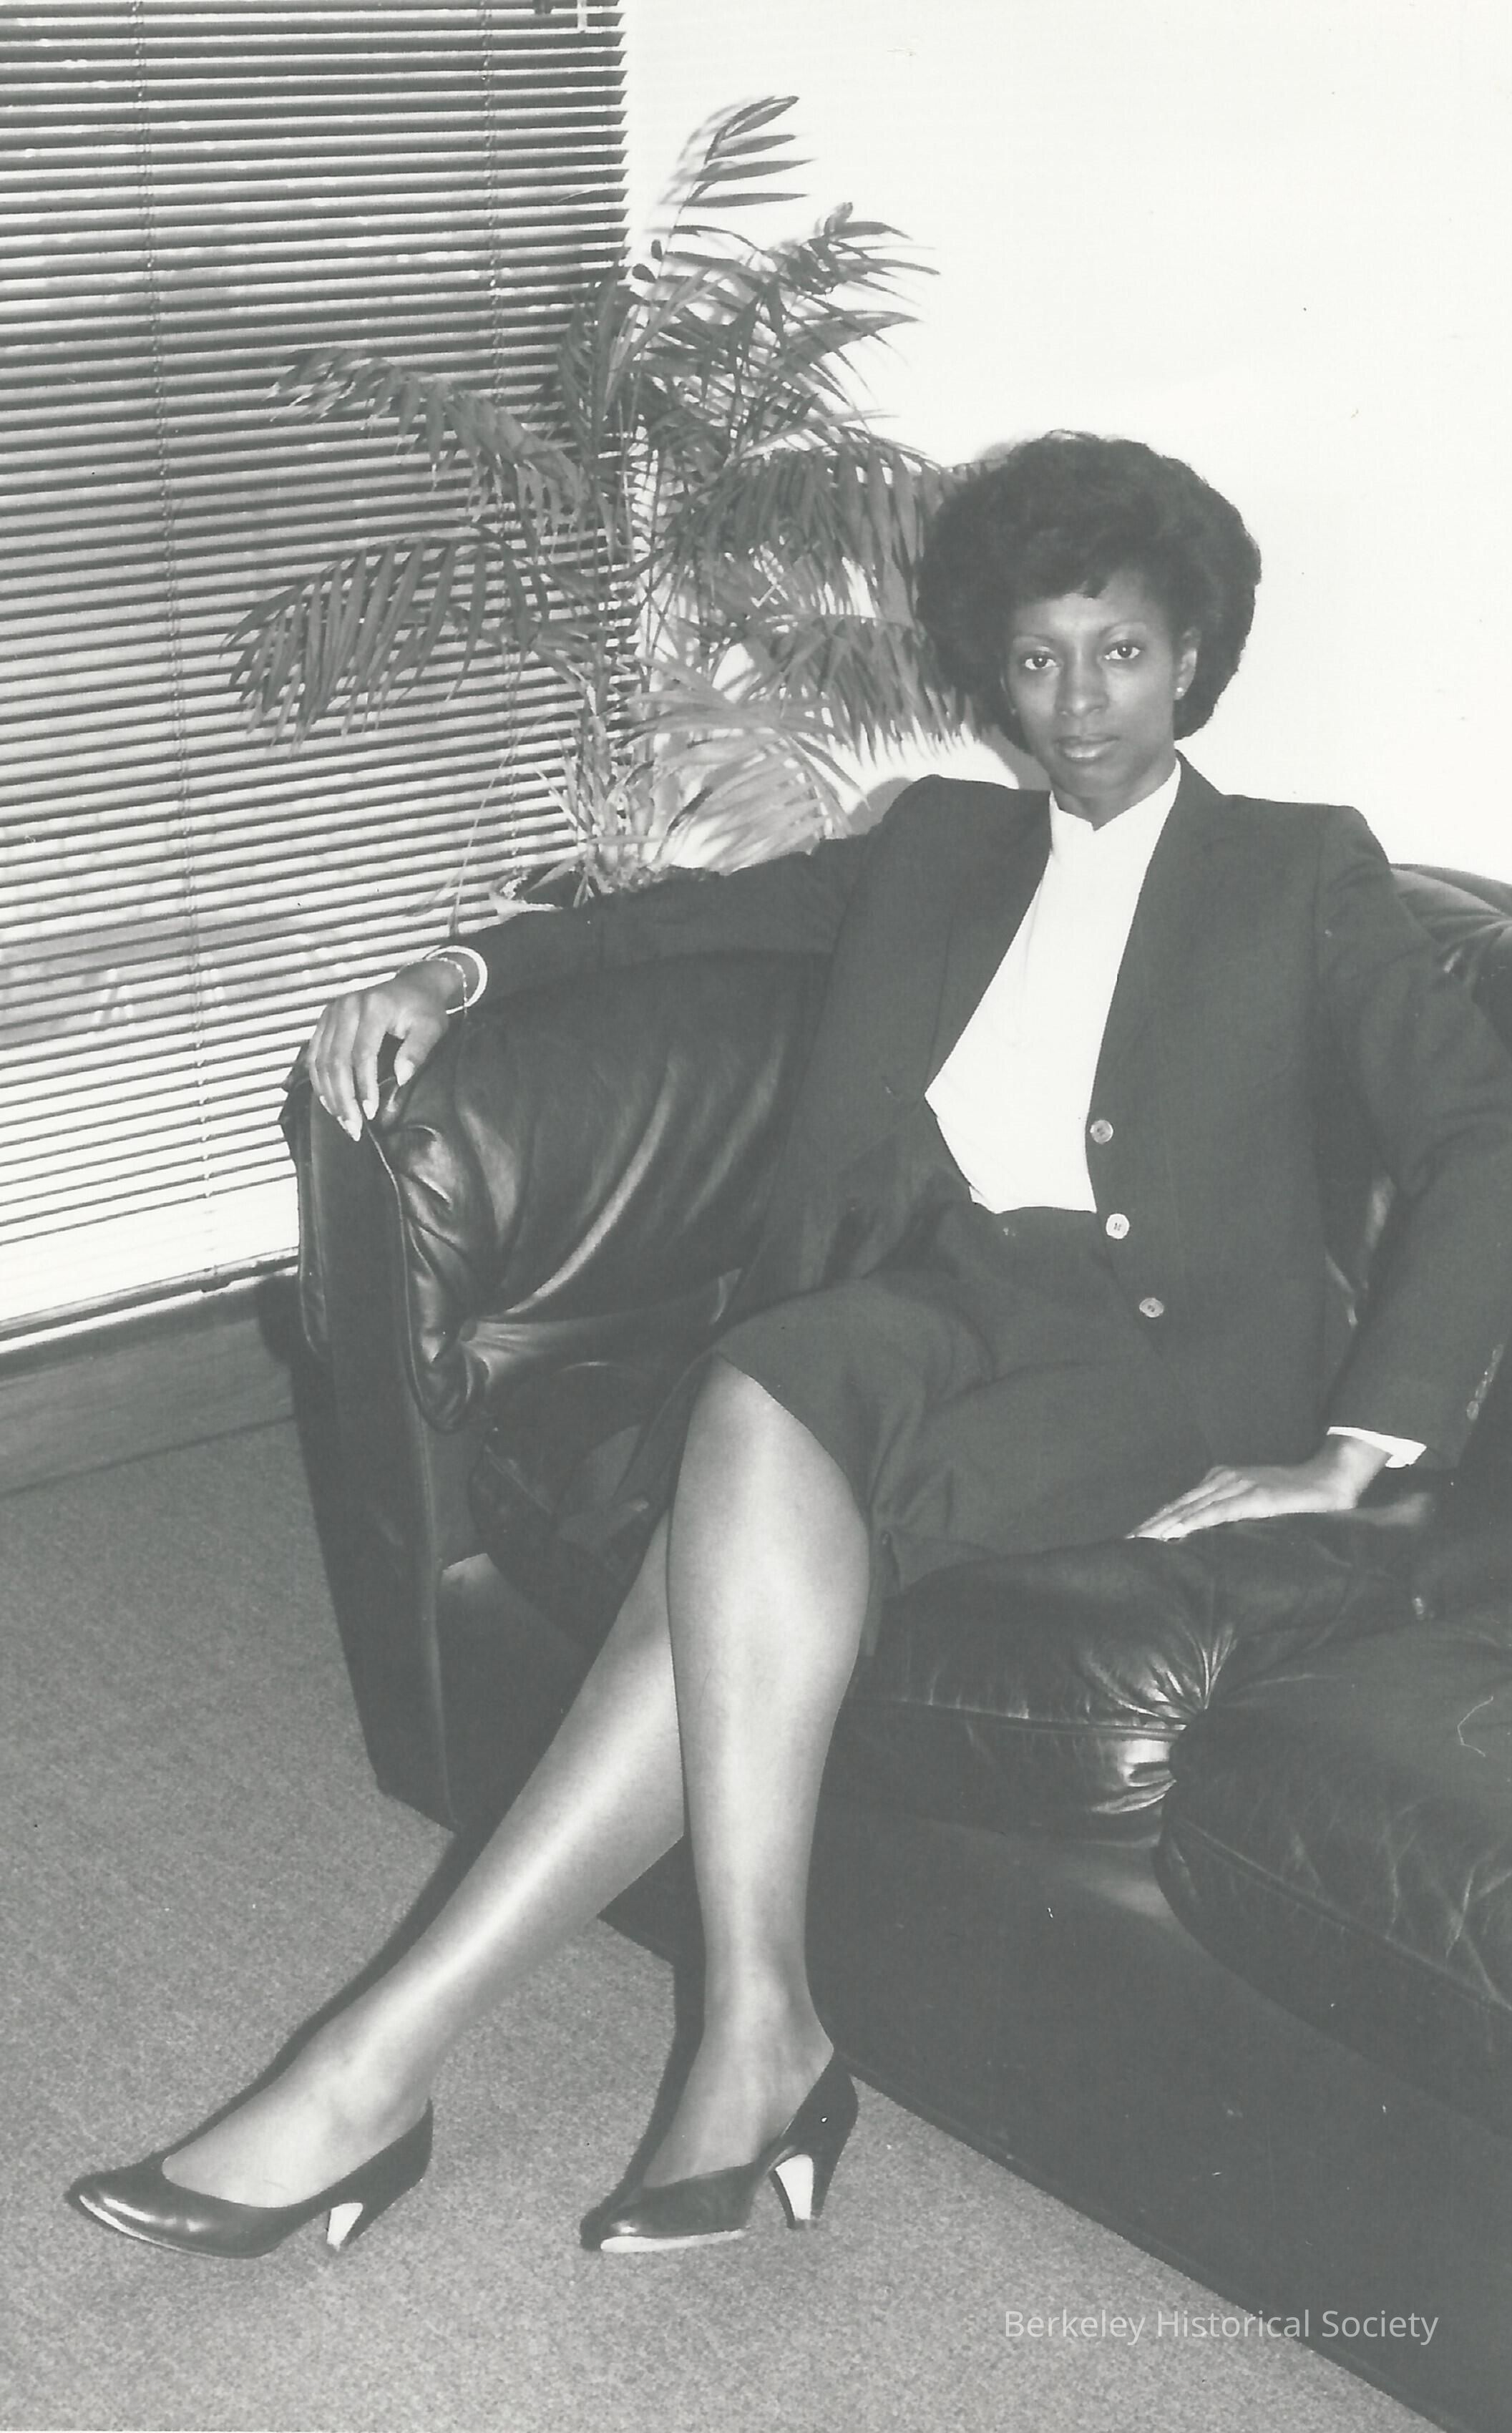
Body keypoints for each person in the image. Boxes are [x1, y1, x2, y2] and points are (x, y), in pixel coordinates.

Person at [69, 433, 1512, 2261]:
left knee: (749, 1426)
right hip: (915, 1295)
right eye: (1041, 656)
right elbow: (684, 920)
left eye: (1124, 652)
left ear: (1194, 657)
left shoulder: (1299, 868)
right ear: (992, 666)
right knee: (754, 1443)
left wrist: (1359, 1444)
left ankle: (388, 2066)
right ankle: (749, 2035)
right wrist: (457, 970)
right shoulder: (937, 842)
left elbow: (1479, 1130)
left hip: (1141, 1356)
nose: (1080, 701)